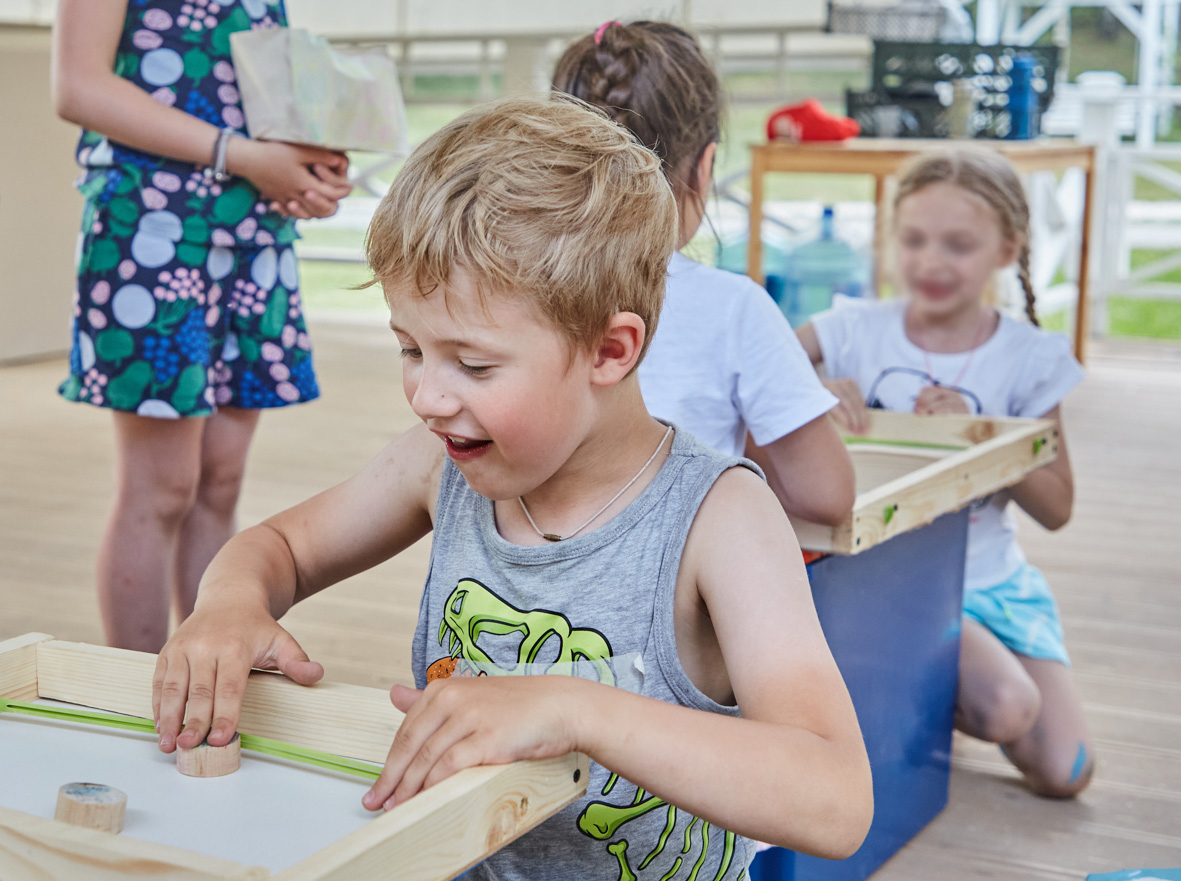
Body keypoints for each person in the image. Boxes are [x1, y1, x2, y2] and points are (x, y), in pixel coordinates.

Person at [151, 95, 873, 879]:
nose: (428, 396)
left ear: (610, 350)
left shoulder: (720, 519)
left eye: (474, 363)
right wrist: (228, 604)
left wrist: (572, 708)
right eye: (410, 349)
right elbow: (281, 548)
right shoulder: (438, 466)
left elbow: (836, 798)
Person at [53, 0, 353, 652]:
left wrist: (303, 166)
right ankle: (133, 687)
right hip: (154, 228)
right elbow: (78, 86)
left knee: (219, 483)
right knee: (161, 487)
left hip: (253, 228)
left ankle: (209, 670)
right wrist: (241, 155)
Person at [796, 148, 1094, 798]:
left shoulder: (1029, 358)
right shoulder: (853, 330)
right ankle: (915, 689)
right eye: (914, 240)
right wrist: (811, 391)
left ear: (1006, 250)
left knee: (1066, 771)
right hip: (888, 578)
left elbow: (1058, 507)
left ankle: (928, 692)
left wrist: (984, 436)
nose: (931, 261)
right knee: (1008, 704)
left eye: (958, 245)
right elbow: (760, 371)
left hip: (993, 581)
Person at [552, 21, 856, 526]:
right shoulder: (735, 307)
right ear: (704, 166)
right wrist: (756, 426)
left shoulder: (514, 289)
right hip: (680, 576)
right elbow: (827, 496)